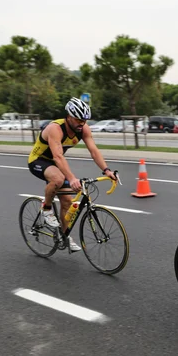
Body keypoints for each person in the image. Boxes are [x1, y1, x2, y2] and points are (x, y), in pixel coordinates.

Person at [27, 97, 116, 252]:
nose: (82, 123)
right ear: (68, 116)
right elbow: (58, 157)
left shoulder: (83, 129)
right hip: (38, 160)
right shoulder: (56, 128)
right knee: (58, 178)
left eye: (85, 120)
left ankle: (64, 236)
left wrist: (107, 170)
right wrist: (72, 178)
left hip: (55, 163)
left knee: (67, 201)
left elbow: (94, 151)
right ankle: (46, 209)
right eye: (78, 119)